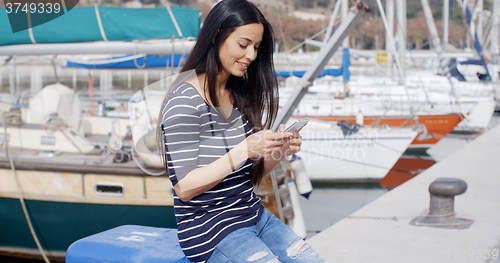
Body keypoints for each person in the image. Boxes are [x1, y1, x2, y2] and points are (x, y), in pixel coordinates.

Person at [157, 0, 324, 262]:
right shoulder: (184, 100)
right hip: (211, 229)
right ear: (216, 37)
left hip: (254, 216)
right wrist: (244, 149)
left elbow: (248, 175)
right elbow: (185, 187)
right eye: (243, 45)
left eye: (256, 47)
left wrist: (278, 151)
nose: (252, 56)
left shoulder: (238, 93)